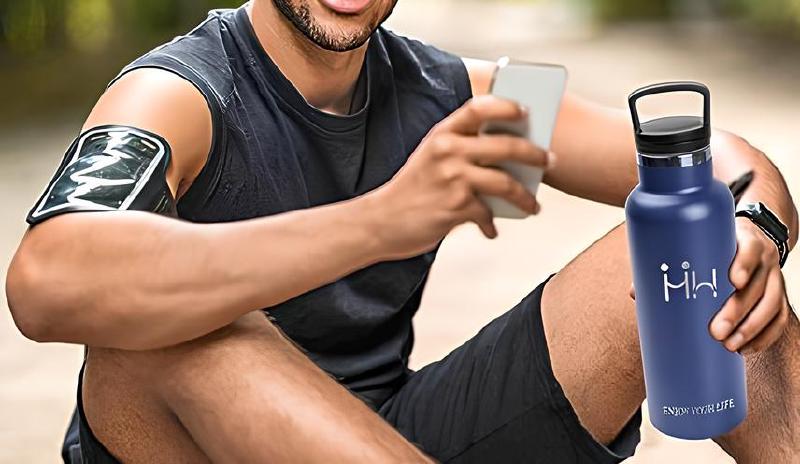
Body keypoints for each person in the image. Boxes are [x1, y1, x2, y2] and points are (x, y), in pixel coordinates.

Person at [6, 0, 799, 462]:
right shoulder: (177, 92)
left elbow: (727, 158)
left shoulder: (450, 92)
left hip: (388, 438)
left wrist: (757, 222)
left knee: (711, 239)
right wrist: (380, 221)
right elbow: (47, 284)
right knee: (173, 330)